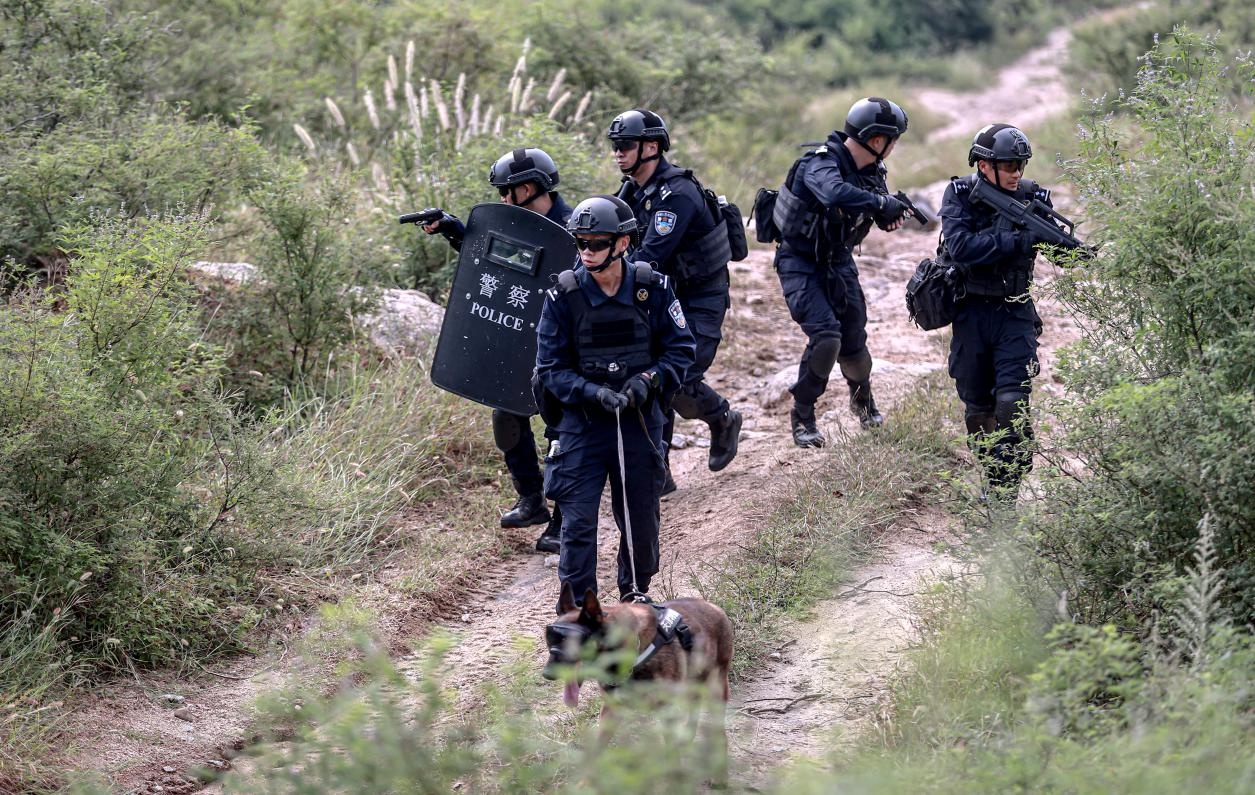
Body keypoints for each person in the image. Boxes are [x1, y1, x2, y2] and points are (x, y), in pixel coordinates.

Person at [535, 195, 696, 610]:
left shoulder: (652, 288)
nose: (587, 252)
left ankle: (635, 597)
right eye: (580, 243)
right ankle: (577, 611)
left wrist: (649, 379)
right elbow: (550, 368)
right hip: (582, 425)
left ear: (622, 243)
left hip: (638, 422)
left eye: (596, 243)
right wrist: (591, 392)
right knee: (577, 523)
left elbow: (681, 350)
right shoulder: (563, 296)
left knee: (640, 518)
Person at [423, 147, 572, 552]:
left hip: (564, 350)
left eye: (509, 191)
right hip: (522, 344)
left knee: (563, 436)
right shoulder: (519, 224)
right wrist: (454, 230)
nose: (504, 199)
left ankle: (565, 521)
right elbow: (498, 262)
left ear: (531, 187)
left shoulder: (575, 227)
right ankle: (531, 500)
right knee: (506, 417)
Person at [608, 109, 742, 490]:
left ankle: (722, 419)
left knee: (676, 376)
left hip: (700, 298)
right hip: (662, 296)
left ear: (652, 147)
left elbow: (648, 257)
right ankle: (658, 470)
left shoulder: (677, 195)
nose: (618, 153)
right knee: (647, 376)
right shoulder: (634, 191)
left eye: (626, 145)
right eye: (615, 146)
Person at [771, 97, 911, 447]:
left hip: (839, 261)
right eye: (893, 140)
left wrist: (888, 214)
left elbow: (872, 208)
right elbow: (833, 193)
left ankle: (863, 400)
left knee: (853, 341)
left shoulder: (871, 171)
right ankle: (803, 413)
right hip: (800, 262)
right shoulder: (820, 163)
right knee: (826, 336)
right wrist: (881, 203)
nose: (893, 147)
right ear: (877, 140)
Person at [939, 123, 1050, 498]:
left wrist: (1062, 245)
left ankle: (1006, 493)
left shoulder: (1031, 196)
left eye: (1021, 164)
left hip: (1015, 312)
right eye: (1009, 165)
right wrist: (1017, 240)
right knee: (978, 410)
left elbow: (1057, 245)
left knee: (1012, 402)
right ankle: (994, 476)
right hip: (970, 313)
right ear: (984, 166)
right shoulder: (960, 195)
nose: (1017, 172)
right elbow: (962, 247)